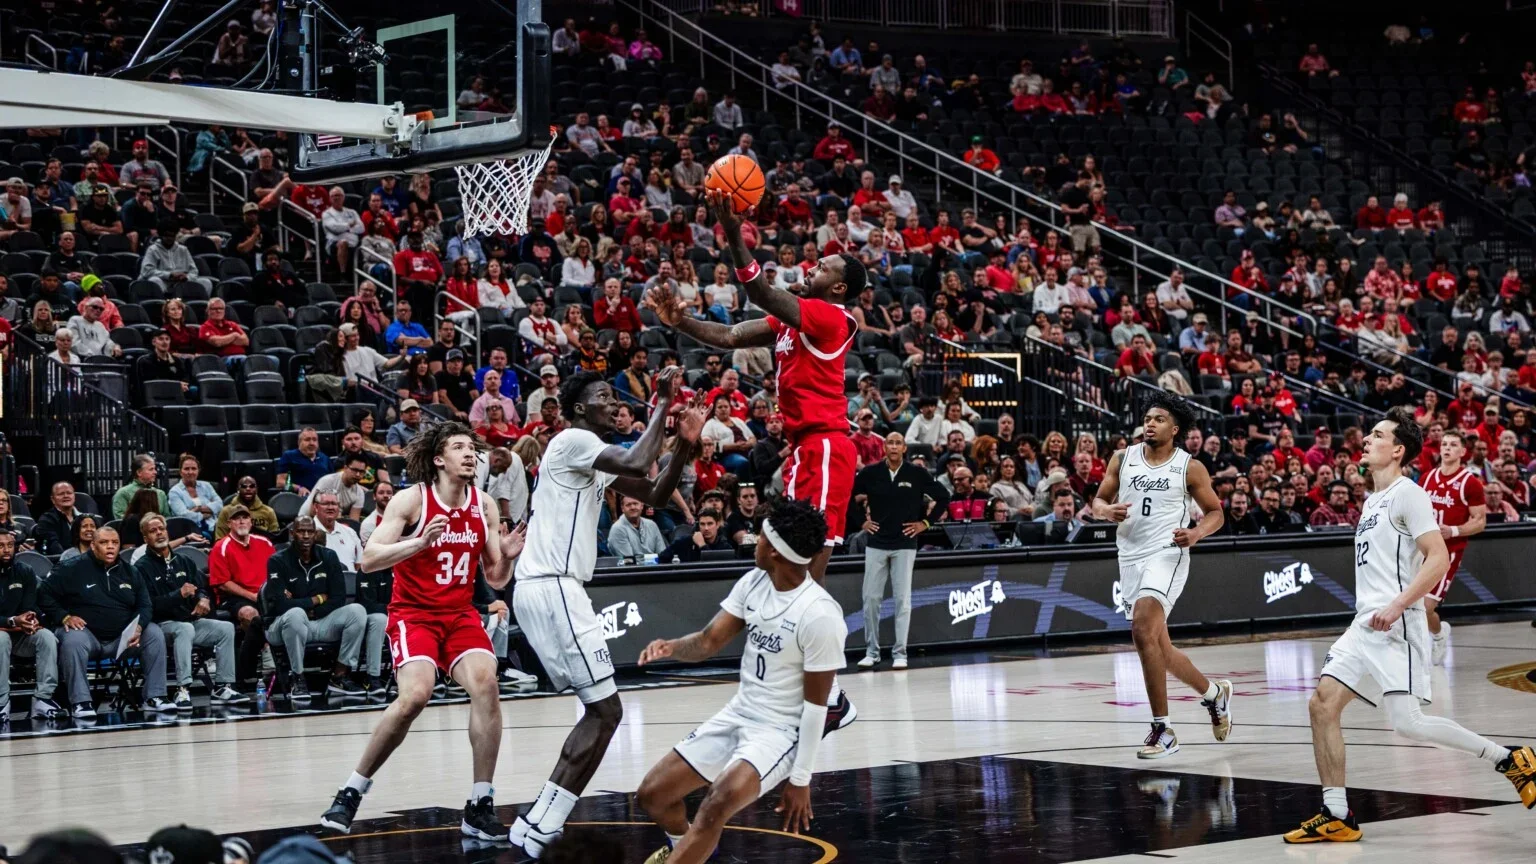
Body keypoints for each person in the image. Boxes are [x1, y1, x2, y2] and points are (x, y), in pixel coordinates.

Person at [1282, 407, 1536, 842]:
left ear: (1398, 450)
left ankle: (1509, 759)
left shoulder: (1408, 494)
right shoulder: (1372, 499)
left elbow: (1437, 557)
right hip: (1365, 623)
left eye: (1378, 435)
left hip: (1396, 623)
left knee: (1408, 723)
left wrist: (1399, 605)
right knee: (1322, 705)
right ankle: (1337, 814)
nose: (1367, 439)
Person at [506, 368, 706, 856]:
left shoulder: (591, 458)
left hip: (553, 588)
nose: (614, 405)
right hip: (552, 586)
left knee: (604, 711)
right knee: (606, 710)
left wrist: (684, 444)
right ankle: (537, 826)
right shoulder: (572, 439)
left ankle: (539, 823)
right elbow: (640, 459)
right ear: (577, 409)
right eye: (602, 397)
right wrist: (662, 401)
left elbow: (656, 493)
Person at [320, 421, 526, 838]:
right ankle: (351, 791)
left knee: (487, 684)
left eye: (473, 448)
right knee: (415, 696)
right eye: (459, 447)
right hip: (414, 614)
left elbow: (495, 577)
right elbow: (369, 559)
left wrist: (506, 556)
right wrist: (418, 542)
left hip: (460, 613)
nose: (470, 454)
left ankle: (480, 802)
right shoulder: (411, 501)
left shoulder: (484, 504)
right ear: (438, 459)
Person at [635, 499, 846, 864]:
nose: (754, 541)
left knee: (715, 806)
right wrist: (671, 647)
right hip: (741, 711)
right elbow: (707, 641)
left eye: (761, 538)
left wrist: (801, 778)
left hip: (783, 728)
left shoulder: (819, 614)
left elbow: (816, 708)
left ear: (777, 552)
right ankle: (694, 854)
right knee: (653, 794)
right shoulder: (754, 581)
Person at [1092, 392, 1231, 758]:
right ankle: (1214, 695)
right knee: (1160, 649)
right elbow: (1097, 501)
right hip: (1130, 556)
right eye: (1147, 418)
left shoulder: (1190, 467)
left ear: (1175, 428)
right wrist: (1107, 512)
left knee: (1141, 630)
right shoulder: (1123, 458)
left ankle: (1162, 729)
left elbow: (1216, 512)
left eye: (1158, 419)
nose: (1149, 423)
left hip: (1168, 553)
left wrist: (1197, 532)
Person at [40, 526, 175, 717]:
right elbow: (44, 594)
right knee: (72, 639)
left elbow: (145, 605)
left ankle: (155, 697)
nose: (110, 547)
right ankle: (81, 702)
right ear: (93, 546)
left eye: (115, 543)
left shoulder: (131, 572)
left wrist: (138, 627)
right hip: (87, 636)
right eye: (104, 543)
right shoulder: (71, 568)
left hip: (123, 639)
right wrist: (64, 617)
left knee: (153, 633)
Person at [853, 432, 948, 670]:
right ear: (884, 447)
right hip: (876, 543)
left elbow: (944, 497)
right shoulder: (870, 473)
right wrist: (861, 522)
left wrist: (924, 523)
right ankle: (871, 651)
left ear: (904, 448)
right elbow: (846, 496)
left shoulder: (916, 473)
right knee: (871, 599)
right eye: (890, 443)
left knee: (902, 600)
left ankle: (900, 652)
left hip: (905, 544)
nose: (893, 446)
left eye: (898, 443)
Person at [136, 513, 245, 709]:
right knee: (183, 630)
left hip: (190, 622)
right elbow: (148, 606)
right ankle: (182, 689)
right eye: (153, 531)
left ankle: (222, 686)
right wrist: (178, 594)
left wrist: (203, 599)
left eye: (161, 529)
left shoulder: (184, 560)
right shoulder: (141, 568)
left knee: (226, 628)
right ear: (145, 539)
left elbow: (201, 586)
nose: (159, 533)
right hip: (162, 627)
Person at [263, 515, 368, 702]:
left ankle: (339, 676)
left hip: (320, 621)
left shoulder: (329, 557)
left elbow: (338, 598)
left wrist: (312, 610)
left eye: (309, 531)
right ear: (292, 533)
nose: (305, 536)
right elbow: (279, 604)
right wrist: (316, 599)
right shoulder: (277, 561)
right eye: (301, 531)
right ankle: (298, 678)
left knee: (357, 611)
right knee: (295, 614)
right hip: (282, 625)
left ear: (315, 534)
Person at [1417, 429, 1485, 666]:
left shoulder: (1471, 483)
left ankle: (1437, 635)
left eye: (1453, 444)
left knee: (1426, 605)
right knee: (1408, 603)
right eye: (1444, 444)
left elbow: (1480, 521)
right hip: (1421, 548)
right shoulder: (1426, 478)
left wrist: (1454, 530)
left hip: (1447, 552)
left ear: (1463, 451)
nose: (1446, 448)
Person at [0, 531, 65, 720]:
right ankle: (2, 702)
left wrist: (30, 620)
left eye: (10, 545)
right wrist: (12, 622)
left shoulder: (25, 571)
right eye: (1, 545)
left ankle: (43, 699)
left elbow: (28, 608)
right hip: (6, 634)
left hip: (19, 634)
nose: (6, 550)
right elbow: (13, 621)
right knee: (1, 638)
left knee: (46, 637)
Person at [208, 505, 275, 684]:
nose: (241, 521)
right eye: (237, 518)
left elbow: (276, 572)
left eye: (245, 517)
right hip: (234, 598)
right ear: (229, 523)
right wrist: (252, 597)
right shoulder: (221, 547)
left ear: (251, 522)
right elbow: (222, 583)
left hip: (264, 593)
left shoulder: (264, 543)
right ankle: (267, 652)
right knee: (250, 614)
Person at [607, 494, 667, 560]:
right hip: (632, 570)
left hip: (656, 569)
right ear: (622, 508)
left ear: (642, 505)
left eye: (635, 504)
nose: (632, 507)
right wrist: (655, 558)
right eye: (628, 505)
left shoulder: (652, 525)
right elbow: (629, 561)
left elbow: (663, 555)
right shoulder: (617, 529)